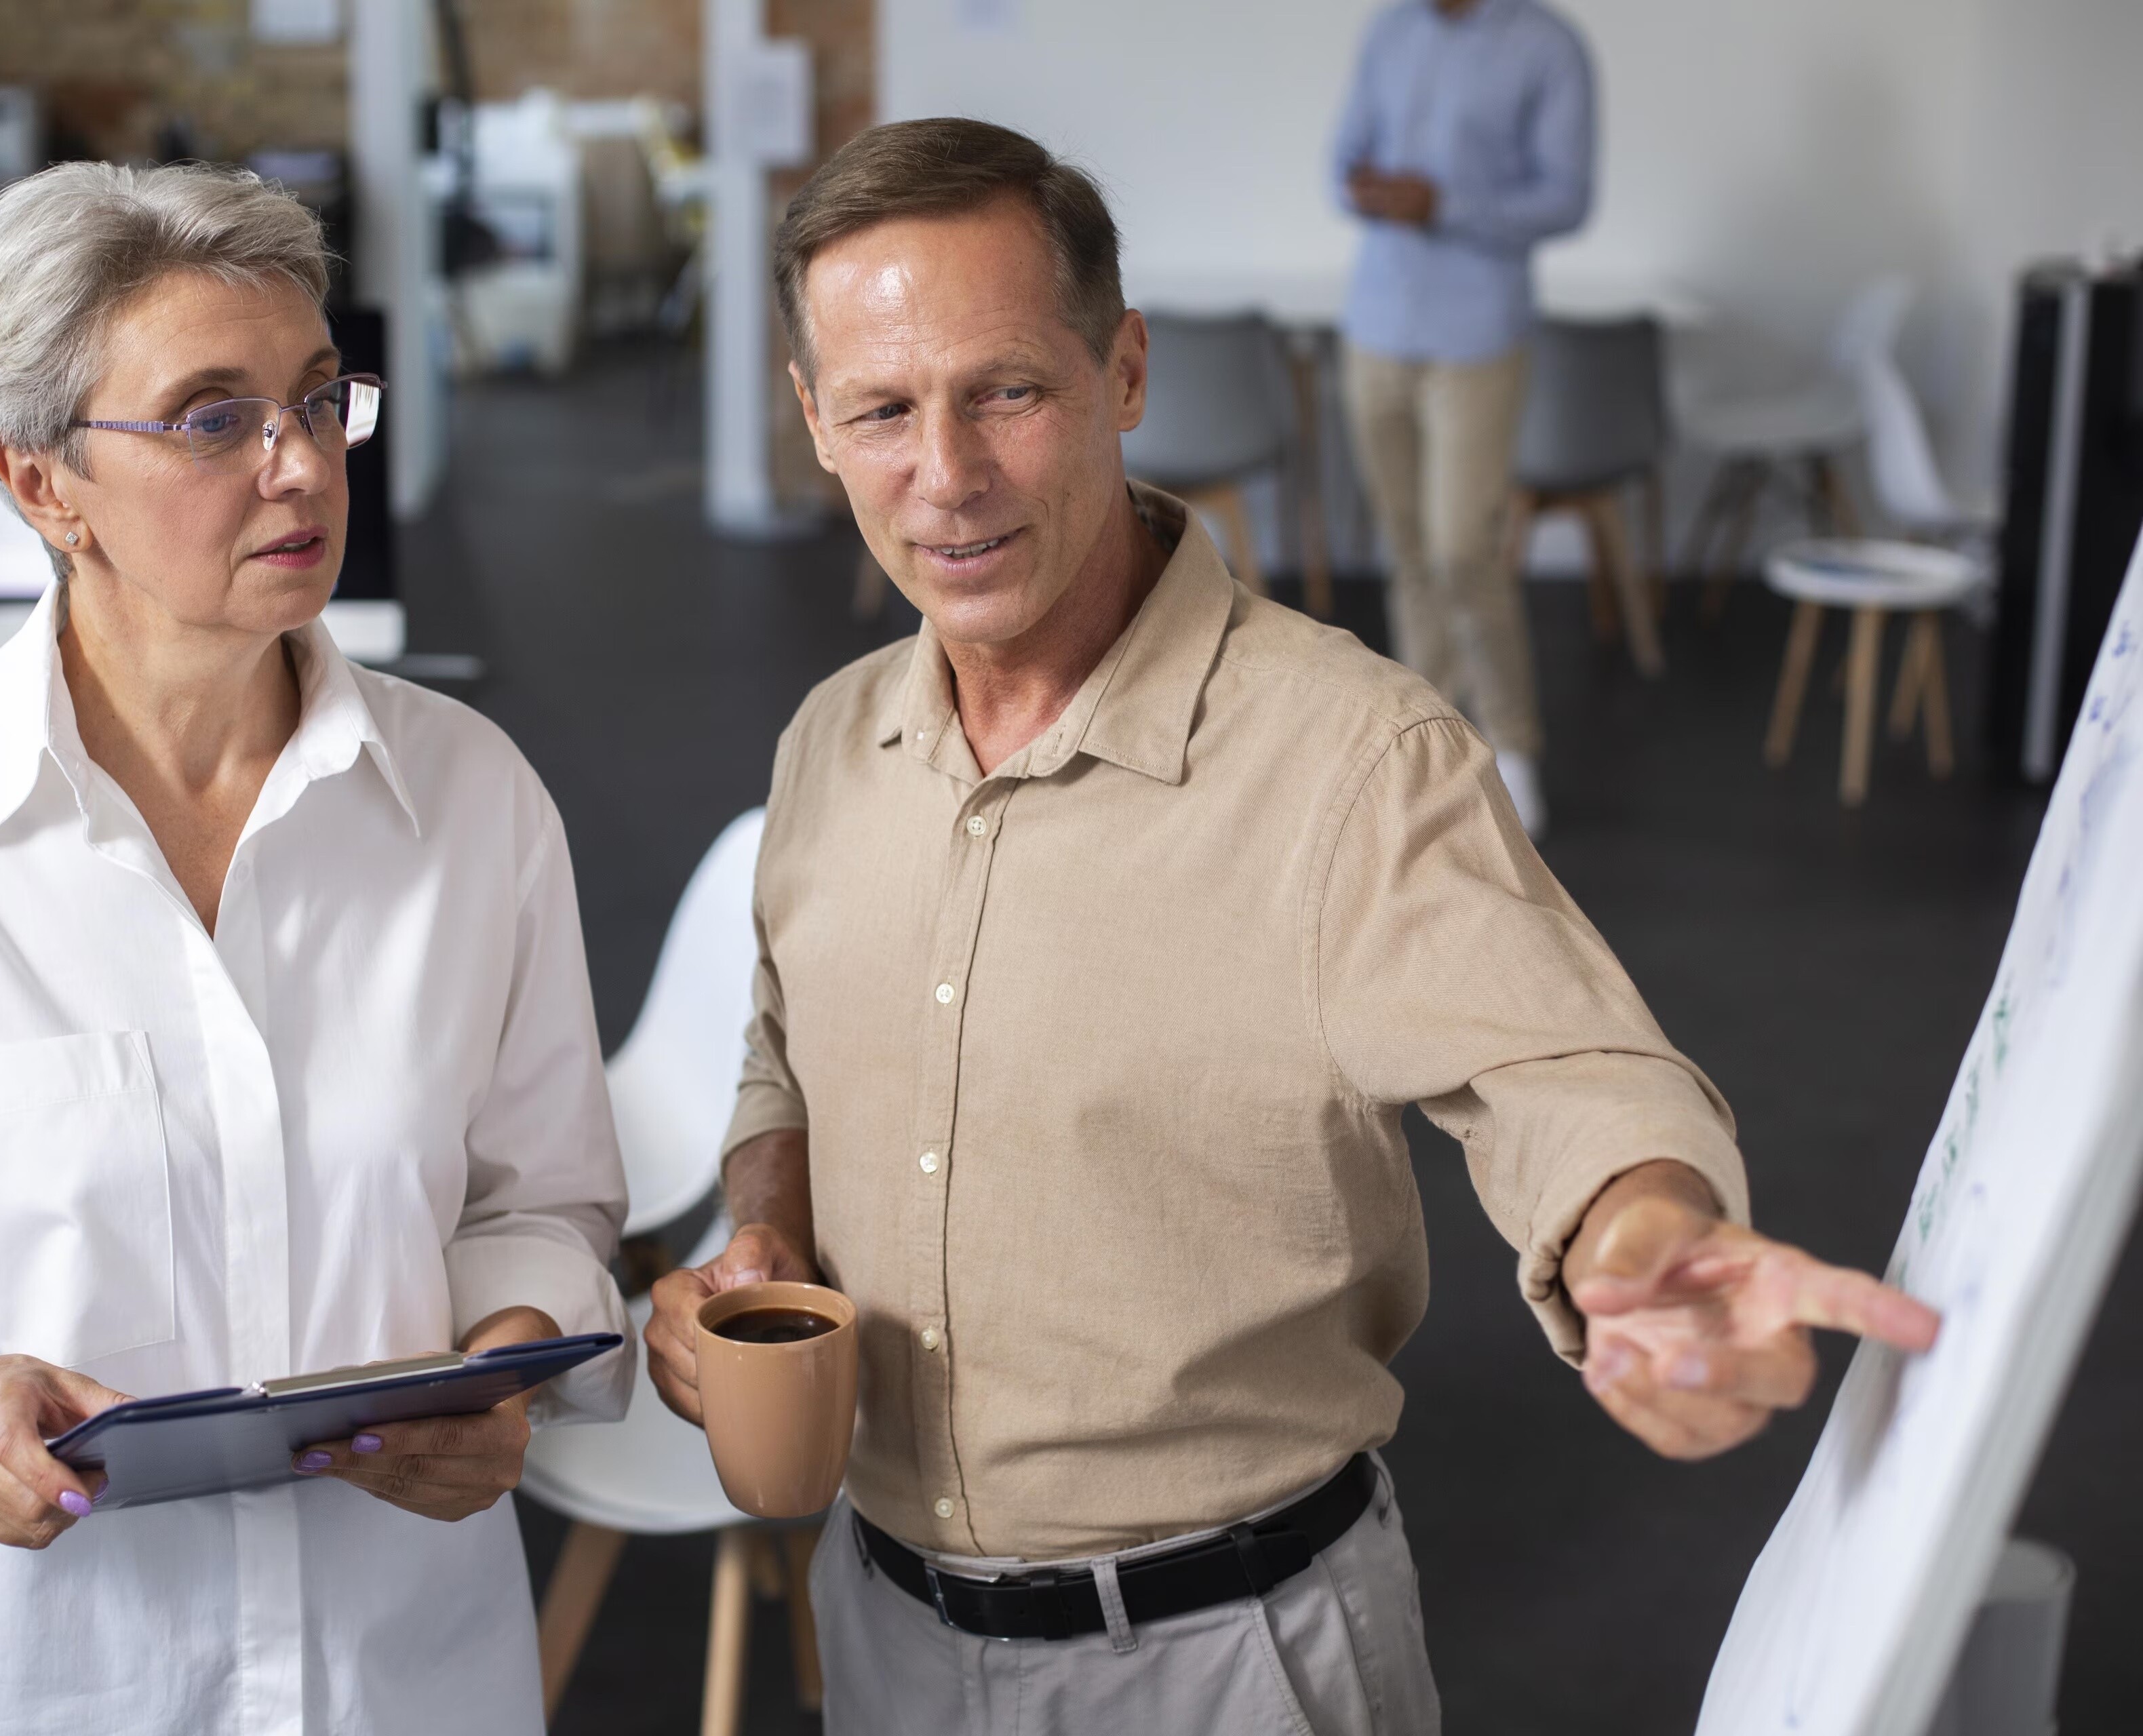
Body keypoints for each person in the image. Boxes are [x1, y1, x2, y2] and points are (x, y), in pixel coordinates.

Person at [644, 119, 1937, 1736]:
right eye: (883, 410)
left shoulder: (1352, 757)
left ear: (1123, 371)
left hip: (1226, 1659)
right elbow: (785, 1050)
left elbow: (1566, 1074)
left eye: (1007, 391)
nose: (947, 475)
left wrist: (1641, 1237)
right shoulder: (831, 742)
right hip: (884, 1632)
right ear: (814, 421)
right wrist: (760, 1238)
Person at [0, 161, 632, 1735]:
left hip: (400, 1676)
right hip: (44, 1686)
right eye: (212, 418)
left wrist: (505, 1353)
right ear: (41, 483)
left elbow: (537, 1202)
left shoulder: (471, 798)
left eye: (318, 400)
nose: (300, 463)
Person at [1332, 0, 1596, 837]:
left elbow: (1568, 198)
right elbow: (1341, 159)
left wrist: (1444, 203)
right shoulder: (1390, 29)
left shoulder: (1547, 45)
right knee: (1409, 551)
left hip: (1477, 337)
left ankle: (1512, 742)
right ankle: (1429, 738)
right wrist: (1363, 186)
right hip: (1375, 328)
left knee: (1461, 550)